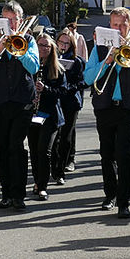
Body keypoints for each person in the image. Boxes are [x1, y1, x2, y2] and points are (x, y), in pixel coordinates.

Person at [84, 7, 130, 219]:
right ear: (110, 26)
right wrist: (106, 62)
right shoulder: (98, 49)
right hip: (105, 107)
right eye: (115, 25)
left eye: (123, 25)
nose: (119, 28)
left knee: (124, 154)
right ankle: (110, 195)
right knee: (107, 154)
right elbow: (88, 78)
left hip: (129, 109)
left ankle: (123, 202)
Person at [0, 0, 40, 211]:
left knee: (16, 146)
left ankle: (18, 194)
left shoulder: (29, 40)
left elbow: (34, 66)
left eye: (13, 20)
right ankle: (6, 194)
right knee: (2, 148)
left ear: (20, 21)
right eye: (6, 20)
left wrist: (17, 50)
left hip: (22, 102)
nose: (10, 24)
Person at [27, 33, 66, 200]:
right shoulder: (30, 67)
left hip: (50, 116)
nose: (43, 49)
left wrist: (46, 89)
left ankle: (43, 186)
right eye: (40, 45)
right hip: (33, 115)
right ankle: (37, 181)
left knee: (44, 151)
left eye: (46, 46)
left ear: (52, 49)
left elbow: (63, 92)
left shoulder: (58, 69)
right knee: (34, 152)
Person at [51, 29, 85, 182]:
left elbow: (81, 82)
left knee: (66, 136)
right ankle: (54, 166)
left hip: (70, 102)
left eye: (67, 43)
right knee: (54, 137)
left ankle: (62, 168)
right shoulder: (51, 58)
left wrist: (68, 86)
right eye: (61, 42)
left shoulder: (77, 61)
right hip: (54, 102)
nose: (63, 46)